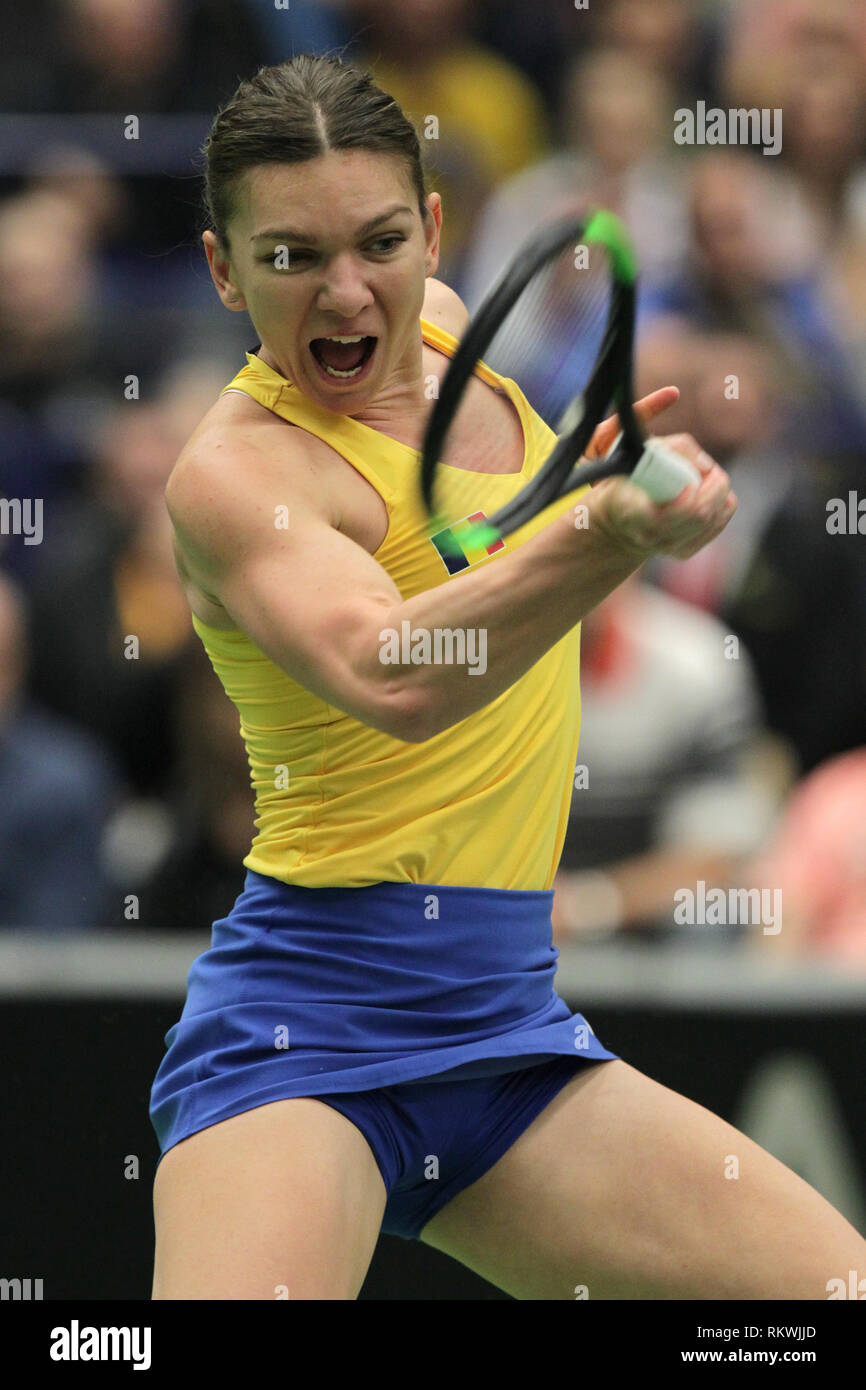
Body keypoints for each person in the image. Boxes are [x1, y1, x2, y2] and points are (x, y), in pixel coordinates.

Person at [149, 54, 866, 1300]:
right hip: (302, 1035)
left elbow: (513, 556)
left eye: (379, 240)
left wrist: (603, 492)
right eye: (289, 257)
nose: (346, 292)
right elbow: (398, 671)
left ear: (432, 230)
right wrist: (601, 539)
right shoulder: (236, 474)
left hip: (509, 1035)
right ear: (222, 268)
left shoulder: (448, 336)